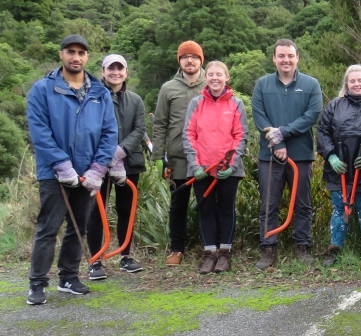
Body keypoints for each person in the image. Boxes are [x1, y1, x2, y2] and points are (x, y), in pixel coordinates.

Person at [26, 35, 118, 305]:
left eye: (81, 53)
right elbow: (39, 132)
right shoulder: (43, 89)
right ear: (61, 54)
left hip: (88, 173)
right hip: (54, 173)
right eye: (70, 52)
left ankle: (68, 277)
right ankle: (37, 283)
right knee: (48, 227)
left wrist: (99, 167)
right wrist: (60, 164)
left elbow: (109, 133)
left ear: (87, 57)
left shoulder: (100, 92)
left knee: (79, 227)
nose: (75, 57)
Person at [252, 39, 324, 270]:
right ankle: (268, 249)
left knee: (302, 204)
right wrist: (274, 141)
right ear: (274, 58)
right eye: (281, 56)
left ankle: (302, 247)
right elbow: (258, 115)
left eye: (290, 56)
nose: (286, 60)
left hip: (300, 155)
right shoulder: (262, 84)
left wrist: (282, 133)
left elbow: (311, 116)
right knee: (268, 204)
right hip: (269, 156)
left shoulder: (311, 84)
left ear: (297, 58)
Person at [85, 54, 147, 281]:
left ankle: (125, 257)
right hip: (98, 163)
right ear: (102, 72)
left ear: (126, 72)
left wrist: (120, 152)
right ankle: (95, 260)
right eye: (111, 68)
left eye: (120, 68)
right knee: (96, 211)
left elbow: (139, 129)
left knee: (126, 209)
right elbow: (89, 128)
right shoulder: (92, 98)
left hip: (128, 162)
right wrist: (106, 155)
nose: (116, 72)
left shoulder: (136, 100)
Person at [182, 61, 248, 274]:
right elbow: (189, 134)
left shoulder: (236, 104)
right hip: (202, 168)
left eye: (219, 74)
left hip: (228, 169)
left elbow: (241, 135)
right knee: (206, 209)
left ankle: (225, 254)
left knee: (226, 208)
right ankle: (209, 253)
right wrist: (195, 165)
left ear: (226, 77)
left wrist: (232, 164)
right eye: (211, 74)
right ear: (205, 77)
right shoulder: (196, 103)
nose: (215, 78)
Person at [316, 65, 361, 266]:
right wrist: (331, 156)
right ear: (347, 84)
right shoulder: (335, 105)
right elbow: (322, 131)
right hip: (339, 168)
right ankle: (334, 248)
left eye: (360, 80)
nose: (356, 84)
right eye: (352, 81)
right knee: (339, 209)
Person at [152, 41, 206, 266]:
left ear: (201, 60)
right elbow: (160, 123)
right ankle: (177, 249)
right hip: (177, 156)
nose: (190, 61)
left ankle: (209, 247)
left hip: (206, 157)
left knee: (206, 202)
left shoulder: (210, 84)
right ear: (180, 61)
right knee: (178, 204)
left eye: (194, 57)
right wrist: (157, 157)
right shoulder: (168, 88)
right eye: (185, 57)